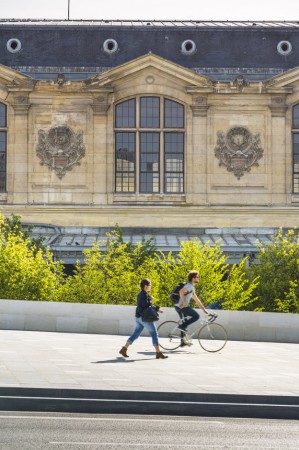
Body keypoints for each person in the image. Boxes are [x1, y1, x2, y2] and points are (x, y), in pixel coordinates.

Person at [119, 278, 168, 359]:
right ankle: (158, 352)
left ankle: (124, 348)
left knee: (135, 334)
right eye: (149, 285)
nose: (150, 286)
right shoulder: (144, 294)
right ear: (146, 286)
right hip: (145, 318)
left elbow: (146, 305)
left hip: (139, 318)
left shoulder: (141, 294)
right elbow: (146, 305)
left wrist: (158, 309)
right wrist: (151, 300)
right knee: (154, 333)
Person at [174, 270, 209, 338]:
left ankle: (183, 341)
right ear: (193, 278)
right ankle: (181, 327)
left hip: (178, 307)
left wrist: (204, 310)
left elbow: (197, 300)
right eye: (197, 277)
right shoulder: (189, 286)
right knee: (196, 316)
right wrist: (184, 302)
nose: (198, 278)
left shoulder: (191, 288)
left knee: (184, 323)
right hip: (182, 307)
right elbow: (181, 292)